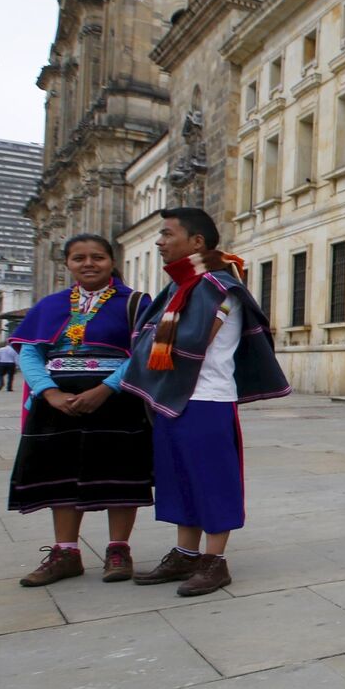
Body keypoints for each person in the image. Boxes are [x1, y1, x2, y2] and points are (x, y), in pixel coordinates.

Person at [120, 207, 290, 597]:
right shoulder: (182, 286)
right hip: (174, 398)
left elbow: (191, 340)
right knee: (178, 480)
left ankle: (215, 561)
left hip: (207, 400)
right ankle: (185, 553)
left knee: (212, 481)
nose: (160, 242)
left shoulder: (218, 286)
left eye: (167, 234)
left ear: (196, 242)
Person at [5, 234, 156, 586]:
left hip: (116, 401)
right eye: (79, 258)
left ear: (111, 260)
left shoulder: (135, 302)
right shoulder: (49, 305)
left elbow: (144, 351)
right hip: (58, 402)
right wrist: (49, 392)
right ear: (68, 263)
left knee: (119, 473)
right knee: (62, 473)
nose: (88, 263)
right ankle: (66, 552)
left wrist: (106, 388)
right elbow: (29, 351)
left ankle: (119, 550)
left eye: (97, 257)